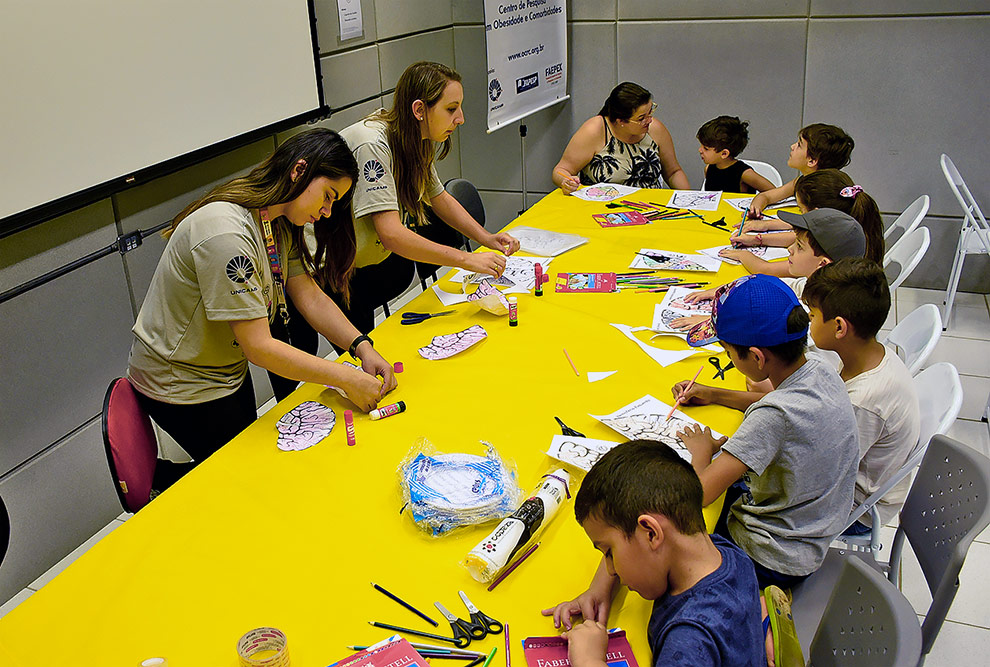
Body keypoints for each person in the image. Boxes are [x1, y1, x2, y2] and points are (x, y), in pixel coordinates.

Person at [127, 128, 397, 490]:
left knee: (253, 467)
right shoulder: (226, 233)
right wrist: (345, 377)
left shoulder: (275, 220)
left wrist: (361, 346)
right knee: (243, 482)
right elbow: (259, 347)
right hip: (184, 384)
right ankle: (162, 483)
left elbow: (308, 293)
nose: (327, 211)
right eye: (327, 196)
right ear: (299, 171)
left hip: (222, 371)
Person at [671, 274, 860, 592]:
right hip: (813, 528)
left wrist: (701, 449)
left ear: (757, 357)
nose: (730, 359)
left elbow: (700, 495)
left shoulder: (773, 417)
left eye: (729, 354)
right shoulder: (820, 367)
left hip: (773, 556)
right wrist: (716, 395)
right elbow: (776, 403)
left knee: (668, 558)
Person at [542, 440, 764, 667]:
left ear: (650, 534)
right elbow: (627, 535)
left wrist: (588, 659)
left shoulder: (689, 640)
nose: (610, 569)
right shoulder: (729, 554)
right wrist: (599, 589)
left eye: (608, 552)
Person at [803, 258, 921, 533]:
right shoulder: (868, 354)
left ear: (839, 327)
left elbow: (821, 475)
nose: (809, 322)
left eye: (812, 315)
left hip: (855, 510)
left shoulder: (864, 401)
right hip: (845, 480)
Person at [672, 208, 866, 332]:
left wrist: (713, 321)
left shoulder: (818, 311)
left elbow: (766, 325)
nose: (789, 249)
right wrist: (718, 291)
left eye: (799, 246)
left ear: (823, 264)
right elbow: (767, 285)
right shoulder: (811, 283)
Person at [720, 169, 883, 275]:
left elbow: (766, 269)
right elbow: (801, 237)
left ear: (817, 213)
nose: (791, 249)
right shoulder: (845, 235)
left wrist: (743, 255)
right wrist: (759, 237)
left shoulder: (830, 263)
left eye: (800, 209)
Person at [552, 82, 689, 194]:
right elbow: (560, 170)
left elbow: (673, 172)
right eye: (641, 118)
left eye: (650, 112)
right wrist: (566, 181)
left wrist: (690, 199)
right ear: (620, 121)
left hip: (651, 209)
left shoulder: (654, 129)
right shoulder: (594, 130)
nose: (649, 120)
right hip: (602, 210)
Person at [744, 123, 854, 221]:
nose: (792, 146)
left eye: (799, 145)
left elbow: (810, 233)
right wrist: (756, 208)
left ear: (812, 161)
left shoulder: (824, 194)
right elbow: (767, 196)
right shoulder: (800, 181)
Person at [697, 116, 775, 194]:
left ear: (724, 153)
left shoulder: (745, 174)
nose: (700, 150)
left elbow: (774, 193)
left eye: (706, 148)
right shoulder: (708, 169)